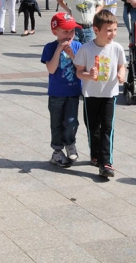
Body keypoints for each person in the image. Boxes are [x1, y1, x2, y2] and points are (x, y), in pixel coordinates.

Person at [74, 9, 126, 178]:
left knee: (107, 128)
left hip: (110, 94)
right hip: (90, 95)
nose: (113, 34)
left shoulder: (117, 48)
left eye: (115, 30)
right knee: (93, 128)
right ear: (96, 30)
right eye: (109, 30)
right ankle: (95, 153)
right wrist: (87, 75)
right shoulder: (86, 49)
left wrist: (121, 74)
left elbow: (121, 65)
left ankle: (106, 163)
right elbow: (79, 72)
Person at [41, 13, 82, 168]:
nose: (69, 35)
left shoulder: (78, 46)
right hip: (56, 93)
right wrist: (59, 50)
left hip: (72, 92)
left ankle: (70, 144)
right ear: (55, 32)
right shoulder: (50, 47)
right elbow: (51, 69)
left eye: (72, 31)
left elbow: (80, 67)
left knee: (71, 122)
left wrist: (72, 54)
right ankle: (57, 151)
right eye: (65, 31)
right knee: (56, 123)